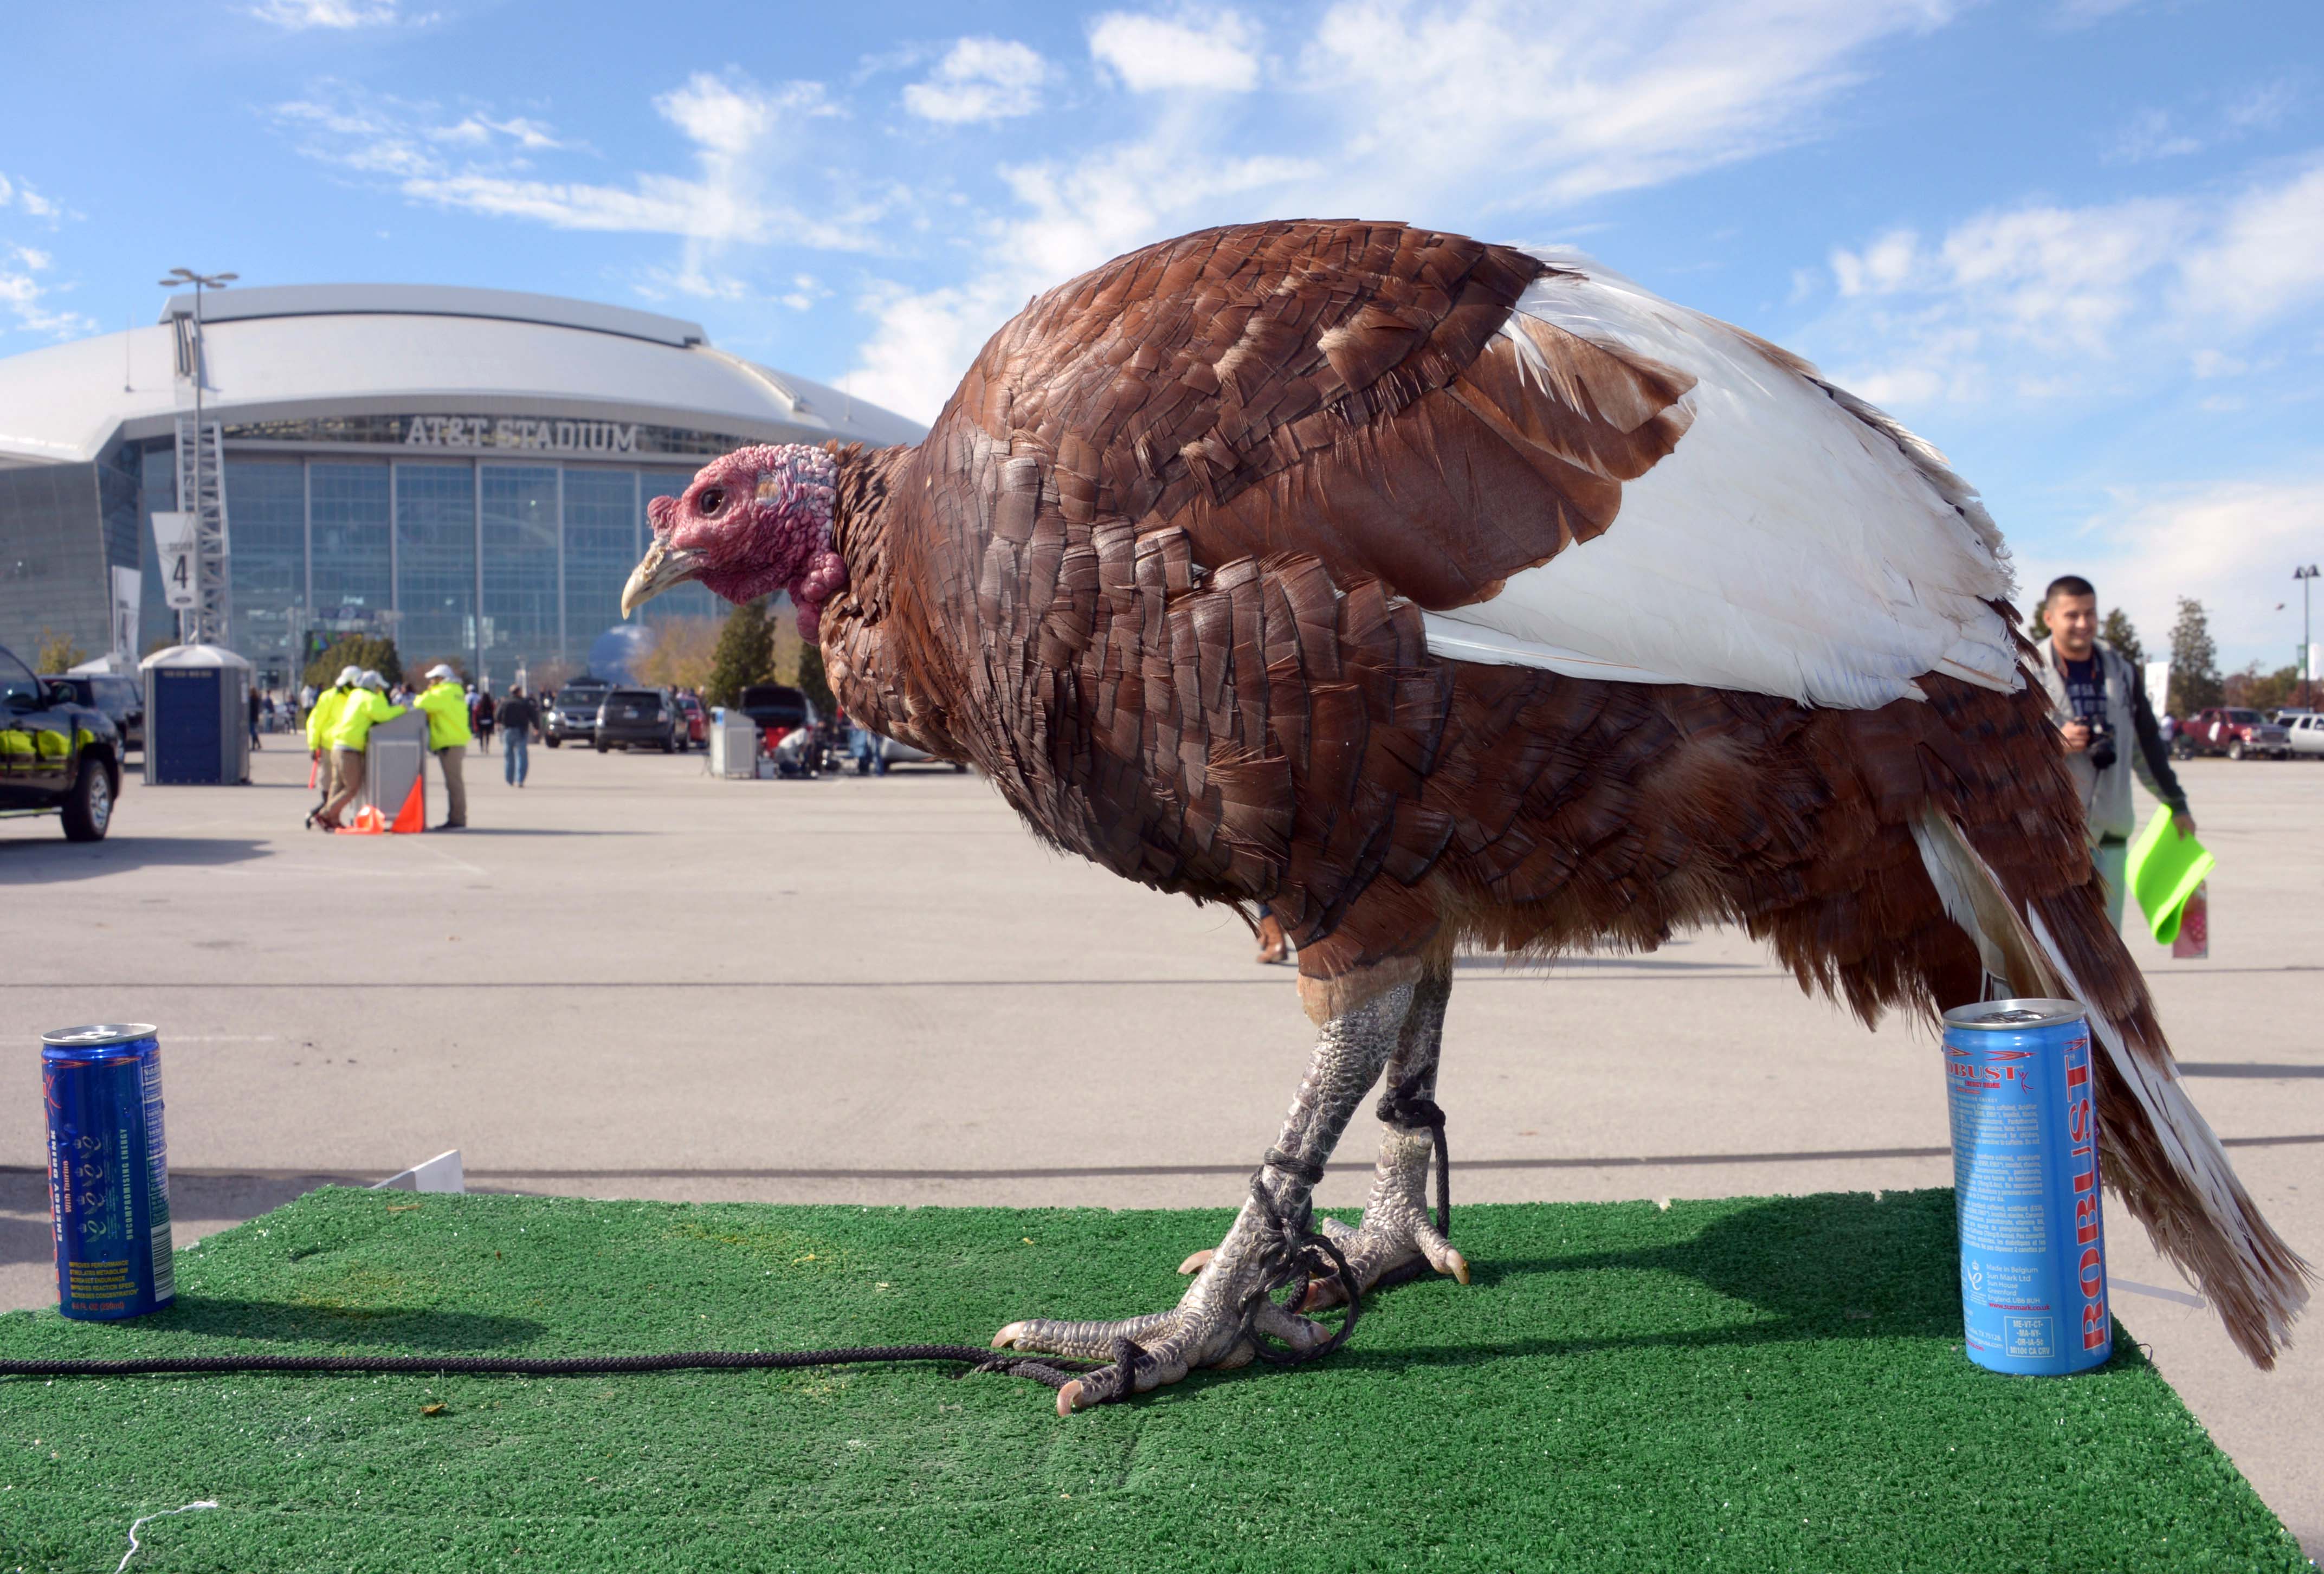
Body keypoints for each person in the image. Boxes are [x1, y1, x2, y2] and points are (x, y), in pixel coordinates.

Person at [2033, 575, 2194, 927]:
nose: (2083, 624)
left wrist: (2175, 802)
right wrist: (2053, 744)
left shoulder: (2121, 673)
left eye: (2090, 614)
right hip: (2050, 840)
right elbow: (2001, 751)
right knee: (2055, 950)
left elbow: (2147, 746)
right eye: (2072, 615)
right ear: (2049, 619)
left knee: (2108, 949)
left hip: (2110, 838)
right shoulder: (2026, 673)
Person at [316, 670, 405, 830]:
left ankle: (332, 820)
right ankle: (325, 814)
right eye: (379, 688)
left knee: (338, 785)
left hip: (337, 746)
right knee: (352, 788)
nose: (380, 691)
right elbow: (384, 715)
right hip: (350, 749)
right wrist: (402, 709)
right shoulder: (368, 698)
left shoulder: (355, 695)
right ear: (373, 687)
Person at [411, 663, 474, 830]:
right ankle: (457, 817)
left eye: (433, 680)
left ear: (440, 679)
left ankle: (458, 819)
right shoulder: (455, 692)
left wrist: (430, 690)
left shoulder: (443, 693)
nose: (430, 683)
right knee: (455, 783)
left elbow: (420, 702)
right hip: (455, 741)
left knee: (454, 783)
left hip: (449, 743)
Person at [304, 666, 360, 829]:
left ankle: (325, 815)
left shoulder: (356, 698)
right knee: (329, 784)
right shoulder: (329, 697)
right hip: (329, 746)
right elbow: (315, 721)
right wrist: (313, 745)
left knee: (345, 786)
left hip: (349, 746)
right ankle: (326, 816)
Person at [497, 684, 538, 787]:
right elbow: (533, 715)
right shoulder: (524, 703)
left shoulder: (505, 702)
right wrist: (536, 727)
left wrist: (499, 723)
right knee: (521, 755)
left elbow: (498, 715)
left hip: (508, 731)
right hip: (521, 731)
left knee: (509, 756)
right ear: (519, 692)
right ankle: (520, 780)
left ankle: (509, 779)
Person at [474, 688, 497, 754]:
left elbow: (476, 712)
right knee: (487, 735)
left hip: (481, 721)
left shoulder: (480, 704)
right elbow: (494, 711)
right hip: (489, 721)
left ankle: (482, 747)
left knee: (481, 735)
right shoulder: (491, 704)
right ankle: (487, 747)